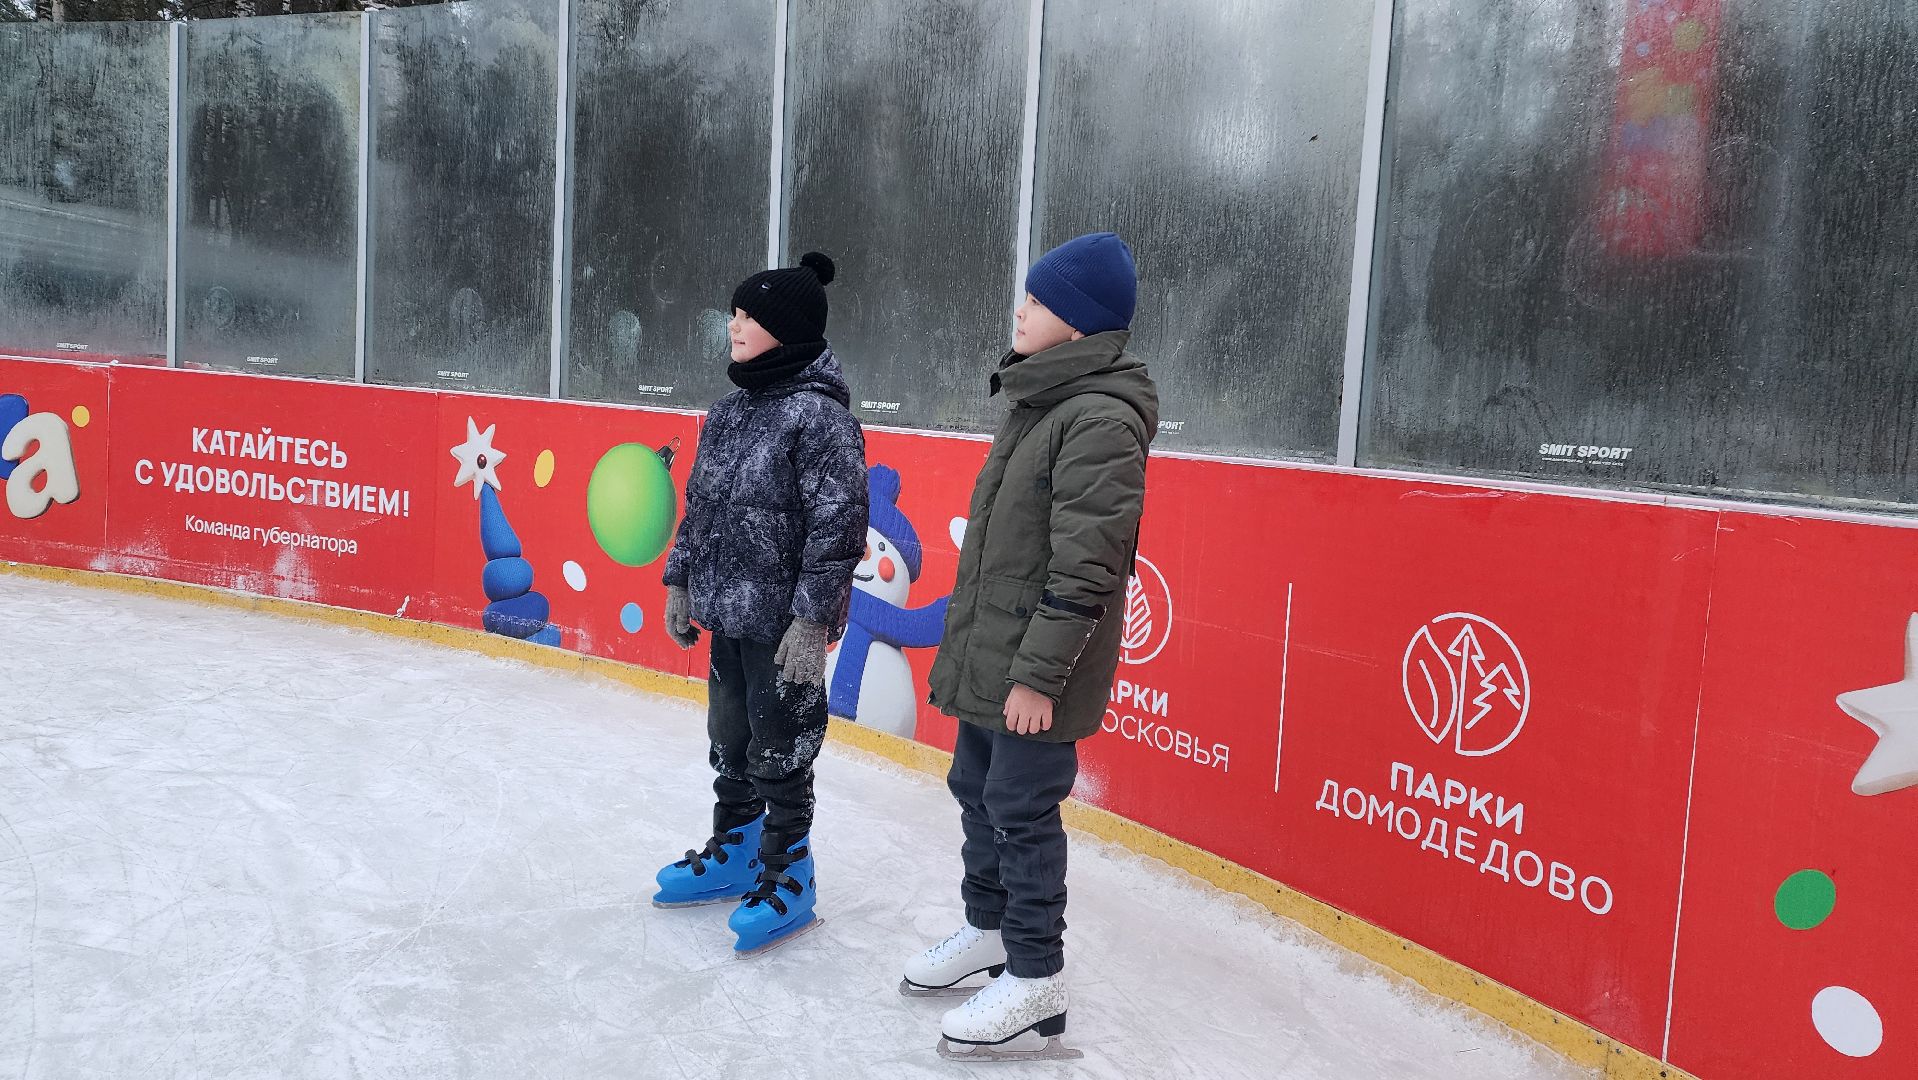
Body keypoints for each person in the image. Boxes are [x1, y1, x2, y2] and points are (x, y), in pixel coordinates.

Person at [907, 233, 1157, 1058]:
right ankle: (991, 933)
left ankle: (1038, 979)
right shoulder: (1037, 403)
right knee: (976, 789)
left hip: (1035, 675)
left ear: (1080, 325)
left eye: (1041, 301)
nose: (1021, 309)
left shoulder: (1100, 421)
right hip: (995, 656)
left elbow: (1087, 570)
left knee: (1020, 807)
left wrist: (1039, 679)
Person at [654, 252, 868, 955]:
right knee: (733, 742)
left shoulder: (820, 420)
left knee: (782, 750)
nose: (734, 325)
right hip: (729, 612)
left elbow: (839, 528)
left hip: (783, 627)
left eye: (749, 316)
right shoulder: (728, 411)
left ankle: (787, 874)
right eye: (735, 313)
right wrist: (681, 578)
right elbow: (700, 504)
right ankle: (738, 851)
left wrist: (812, 619)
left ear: (786, 328)